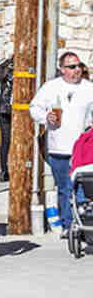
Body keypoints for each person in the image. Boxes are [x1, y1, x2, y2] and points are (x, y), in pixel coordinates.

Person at [28, 51, 93, 236]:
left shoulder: (89, 88)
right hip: (59, 146)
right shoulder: (51, 87)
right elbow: (34, 108)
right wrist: (45, 117)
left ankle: (82, 225)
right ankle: (67, 225)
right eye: (72, 67)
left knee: (82, 189)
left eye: (79, 66)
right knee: (64, 188)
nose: (77, 70)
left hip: (83, 149)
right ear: (63, 69)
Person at [0, 56, 14, 182]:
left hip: (23, 110)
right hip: (6, 109)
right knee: (6, 141)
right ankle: (4, 170)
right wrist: (9, 61)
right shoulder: (7, 69)